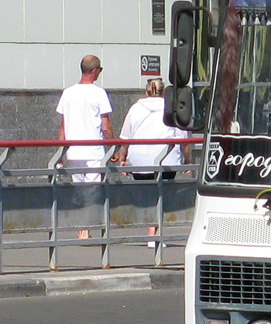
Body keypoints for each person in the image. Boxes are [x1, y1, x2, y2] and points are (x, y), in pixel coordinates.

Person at [114, 78, 189, 246]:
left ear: (147, 92)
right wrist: (187, 160)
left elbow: (125, 137)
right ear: (163, 92)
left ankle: (150, 232)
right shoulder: (172, 109)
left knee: (148, 195)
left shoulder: (135, 109)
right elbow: (183, 138)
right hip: (166, 158)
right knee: (162, 194)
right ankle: (157, 234)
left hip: (139, 158)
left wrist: (123, 158)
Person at [56, 55, 113, 239]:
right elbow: (106, 126)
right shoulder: (99, 93)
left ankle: (81, 227)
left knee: (79, 190)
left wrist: (60, 152)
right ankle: (85, 229)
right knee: (93, 190)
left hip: (73, 151)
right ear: (95, 70)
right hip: (94, 151)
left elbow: (62, 126)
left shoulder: (68, 93)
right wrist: (112, 147)